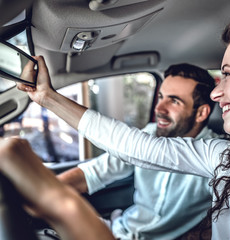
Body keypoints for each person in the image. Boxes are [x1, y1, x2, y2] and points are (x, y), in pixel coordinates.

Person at [1, 7, 230, 240]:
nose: (217, 95)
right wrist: (47, 98)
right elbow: (136, 147)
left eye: (227, 75)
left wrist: (59, 203)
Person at [56, 63, 218, 240]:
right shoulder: (147, 136)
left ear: (201, 113)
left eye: (174, 101)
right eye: (161, 97)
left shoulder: (217, 158)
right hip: (118, 229)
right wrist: (40, 192)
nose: (159, 109)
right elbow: (93, 173)